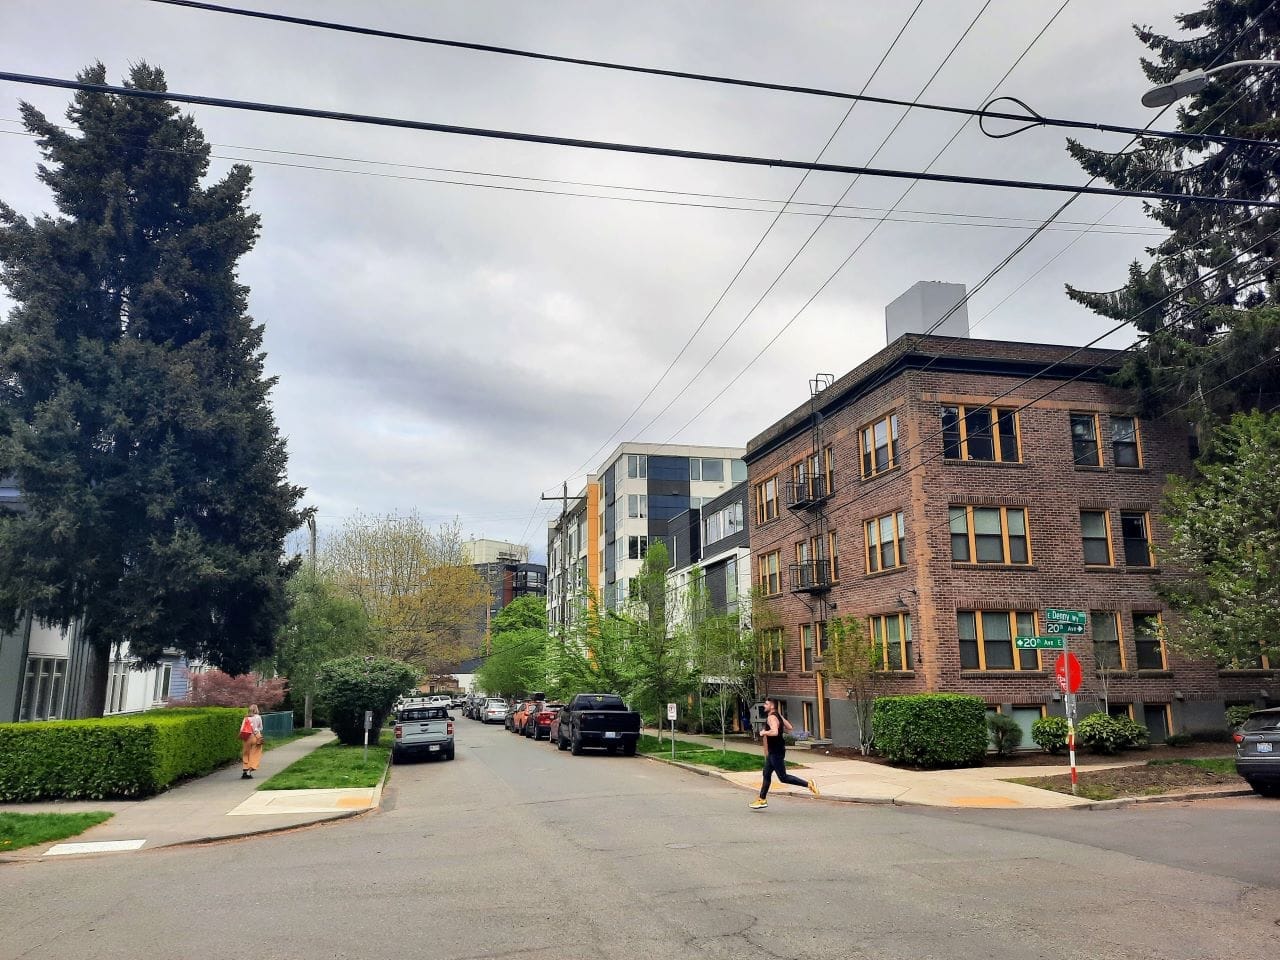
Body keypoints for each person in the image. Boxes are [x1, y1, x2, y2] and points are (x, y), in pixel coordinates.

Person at [750, 697, 819, 810]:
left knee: (783, 777)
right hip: (775, 750)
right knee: (766, 773)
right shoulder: (777, 715)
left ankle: (809, 784)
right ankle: (762, 799)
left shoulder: (771, 717)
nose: (764, 706)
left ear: (771, 706)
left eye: (766, 704)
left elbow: (775, 732)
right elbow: (790, 727)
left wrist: (764, 732)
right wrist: (780, 718)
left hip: (776, 751)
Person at [241, 704, 264, 779]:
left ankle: (245, 769)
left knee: (246, 753)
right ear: (256, 709)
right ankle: (249, 771)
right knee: (255, 754)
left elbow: (242, 729)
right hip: (256, 737)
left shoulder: (246, 718)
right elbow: (261, 728)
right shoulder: (258, 717)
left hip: (247, 737)